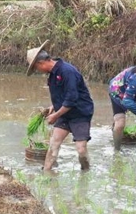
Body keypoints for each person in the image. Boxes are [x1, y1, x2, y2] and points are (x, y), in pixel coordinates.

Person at [26, 40, 94, 171]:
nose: (38, 71)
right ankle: (46, 172)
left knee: (81, 149)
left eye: (36, 68)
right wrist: (53, 106)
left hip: (80, 113)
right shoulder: (52, 74)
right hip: (64, 113)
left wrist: (55, 115)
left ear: (41, 63)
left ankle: (86, 172)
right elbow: (62, 94)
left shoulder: (67, 71)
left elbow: (72, 99)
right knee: (54, 143)